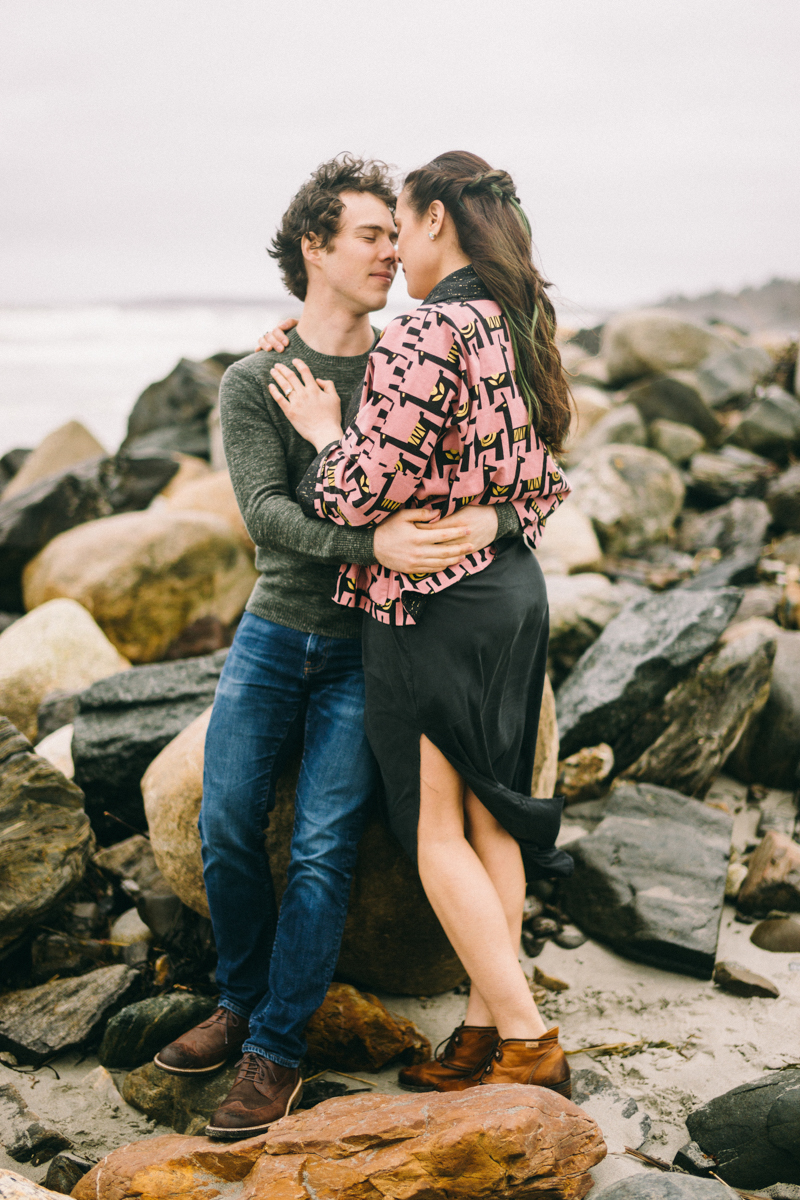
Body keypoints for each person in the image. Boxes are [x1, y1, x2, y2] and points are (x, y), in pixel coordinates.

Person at [153, 155, 515, 1140]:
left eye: (394, 237)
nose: (391, 254)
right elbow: (265, 519)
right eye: (368, 235)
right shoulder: (255, 376)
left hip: (372, 646)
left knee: (318, 847)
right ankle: (236, 1002)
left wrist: (460, 527)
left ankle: (276, 1049)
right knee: (225, 821)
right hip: (272, 636)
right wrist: (374, 541)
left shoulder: (414, 358)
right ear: (313, 245)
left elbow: (488, 460)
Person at [268, 151, 575, 1099]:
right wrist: (501, 516)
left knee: (435, 825)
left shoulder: (424, 333)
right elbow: (549, 480)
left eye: (400, 223)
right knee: (495, 819)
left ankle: (527, 1036)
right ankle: (484, 1029)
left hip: (434, 601)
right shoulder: (520, 322)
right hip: (512, 595)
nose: (395, 248)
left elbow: (360, 491)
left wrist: (325, 434)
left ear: (437, 218)